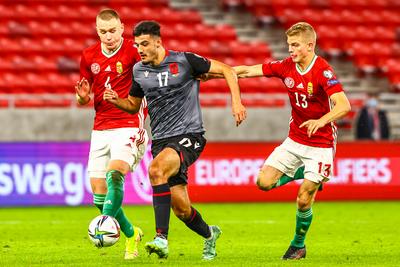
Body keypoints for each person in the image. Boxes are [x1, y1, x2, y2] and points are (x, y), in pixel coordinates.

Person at [103, 20, 247, 260]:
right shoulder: (139, 71)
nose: (140, 49)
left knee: (156, 170)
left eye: (145, 44)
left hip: (189, 135)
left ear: (158, 42)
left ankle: (161, 238)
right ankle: (210, 234)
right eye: (137, 44)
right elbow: (133, 106)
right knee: (181, 209)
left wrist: (236, 101)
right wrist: (114, 99)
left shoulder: (184, 61)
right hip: (161, 141)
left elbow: (227, 70)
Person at [209, 22, 351, 260]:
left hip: (321, 142)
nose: (290, 50)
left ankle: (298, 245)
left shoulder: (323, 70)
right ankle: (304, 174)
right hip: (295, 139)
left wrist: (322, 121)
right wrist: (217, 73)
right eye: (289, 45)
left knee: (304, 198)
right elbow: (248, 70)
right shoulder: (286, 66)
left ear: (310, 45)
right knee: (263, 182)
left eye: (295, 45)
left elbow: (344, 105)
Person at [74, 9, 148, 260]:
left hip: (128, 122)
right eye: (103, 31)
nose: (109, 36)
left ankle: (103, 226)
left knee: (115, 173)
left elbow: (148, 81)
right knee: (98, 195)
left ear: (122, 28)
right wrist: (82, 97)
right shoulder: (88, 56)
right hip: (100, 127)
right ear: (97, 31)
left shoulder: (133, 51)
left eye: (113, 30)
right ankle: (130, 233)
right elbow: (82, 96)